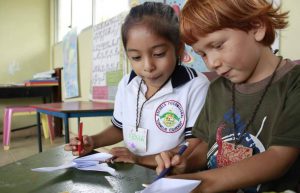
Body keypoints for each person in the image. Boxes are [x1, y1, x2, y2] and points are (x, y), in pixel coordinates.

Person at [155, 0, 300, 192]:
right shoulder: (216, 89)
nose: (212, 63)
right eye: (203, 54)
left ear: (257, 27)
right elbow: (206, 145)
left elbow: (279, 158)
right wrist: (185, 160)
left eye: (218, 45)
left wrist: (202, 182)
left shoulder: (294, 83)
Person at [64, 2, 209, 168]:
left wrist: (140, 160)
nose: (148, 66)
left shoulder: (195, 86)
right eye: (136, 57)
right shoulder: (127, 84)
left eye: (158, 54)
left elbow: (194, 144)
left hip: (172, 176)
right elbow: (119, 128)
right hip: (132, 171)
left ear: (179, 49)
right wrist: (93, 141)